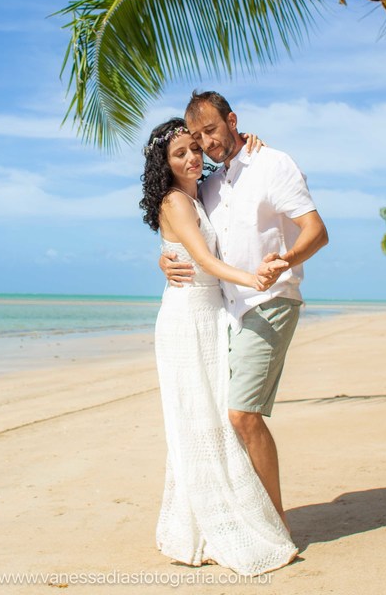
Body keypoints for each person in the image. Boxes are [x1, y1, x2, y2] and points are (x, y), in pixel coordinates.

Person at [160, 91, 328, 527]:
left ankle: (275, 523)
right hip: (224, 312)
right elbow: (195, 241)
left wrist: (285, 261)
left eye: (212, 131)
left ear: (233, 120)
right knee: (227, 417)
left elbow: (317, 231)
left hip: (270, 301)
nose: (206, 144)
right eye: (197, 139)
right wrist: (165, 258)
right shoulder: (213, 183)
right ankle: (247, 513)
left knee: (242, 415)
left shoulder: (273, 163)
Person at [141, 118, 298, 576]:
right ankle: (204, 526)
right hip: (188, 319)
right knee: (198, 421)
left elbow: (234, 176)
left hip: (212, 316)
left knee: (215, 419)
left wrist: (251, 145)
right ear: (164, 165)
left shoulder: (201, 190)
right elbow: (205, 259)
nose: (193, 158)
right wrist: (252, 278)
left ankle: (217, 520)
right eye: (181, 154)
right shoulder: (175, 198)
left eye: (195, 148)